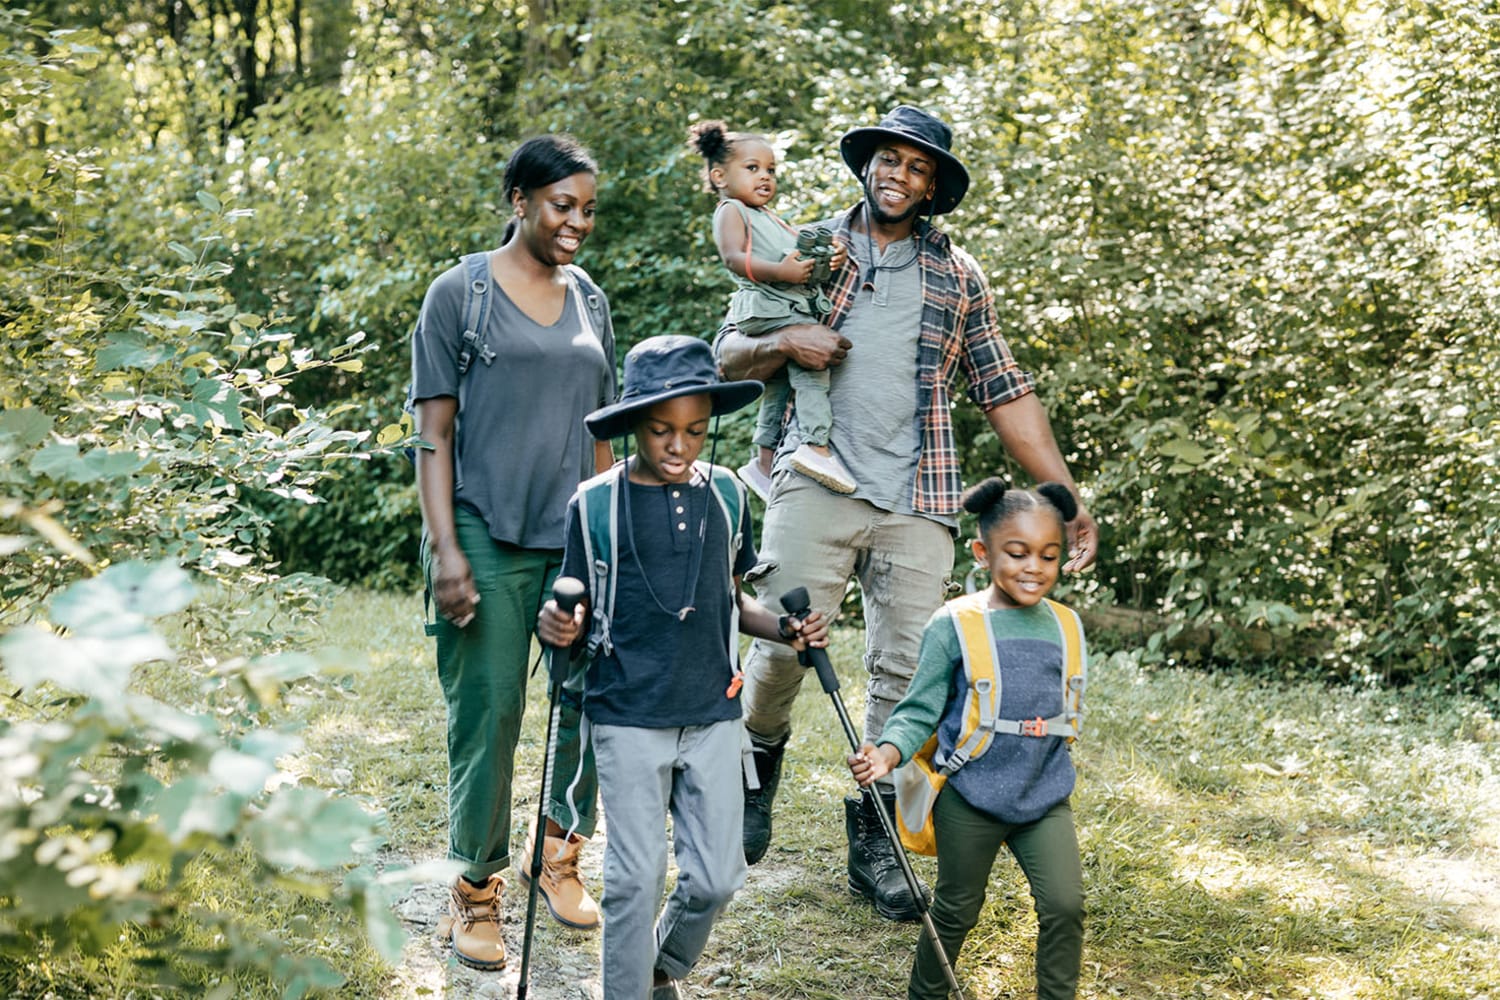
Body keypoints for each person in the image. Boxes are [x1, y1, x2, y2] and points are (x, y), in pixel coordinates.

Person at [714, 104, 1099, 921]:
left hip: (920, 494)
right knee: (783, 651)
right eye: (888, 159)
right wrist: (789, 345)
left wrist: (1065, 498)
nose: (899, 175)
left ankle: (877, 841)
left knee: (906, 675)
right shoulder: (807, 245)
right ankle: (758, 759)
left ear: (933, 189)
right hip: (815, 478)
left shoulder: (960, 276)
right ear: (867, 166)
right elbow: (730, 352)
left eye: (917, 168)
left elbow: (1005, 390)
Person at [536, 334, 830, 1000]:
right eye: (663, 430)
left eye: (695, 431)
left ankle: (659, 968)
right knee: (636, 881)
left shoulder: (726, 496)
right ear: (638, 423)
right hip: (628, 714)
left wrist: (782, 627)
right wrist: (558, 626)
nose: (678, 445)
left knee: (718, 877)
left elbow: (731, 598)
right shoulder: (596, 504)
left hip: (711, 713)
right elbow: (570, 612)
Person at [411, 133, 615, 970]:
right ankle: (477, 891)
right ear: (520, 201)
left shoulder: (590, 299)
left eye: (588, 209)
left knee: (592, 702)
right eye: (562, 205)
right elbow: (433, 436)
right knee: (490, 719)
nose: (576, 223)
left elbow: (605, 434)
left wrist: (610, 543)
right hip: (485, 542)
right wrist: (446, 549)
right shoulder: (459, 294)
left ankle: (557, 853)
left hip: (573, 539)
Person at [848, 478, 1088, 1000]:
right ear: (983, 553)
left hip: (1044, 796)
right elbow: (919, 709)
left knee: (1065, 905)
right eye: (1018, 553)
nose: (1034, 568)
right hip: (971, 796)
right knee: (957, 909)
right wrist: (887, 753)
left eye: (1049, 556)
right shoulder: (954, 624)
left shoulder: (1067, 626)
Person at [686, 120, 855, 500]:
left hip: (779, 304)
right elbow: (733, 258)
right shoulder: (731, 210)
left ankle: (763, 462)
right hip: (765, 307)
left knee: (777, 386)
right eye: (752, 168)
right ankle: (816, 446)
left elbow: (801, 256)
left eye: (771, 170)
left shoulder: (771, 219)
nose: (765, 177)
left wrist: (833, 257)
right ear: (720, 176)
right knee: (812, 365)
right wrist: (781, 271)